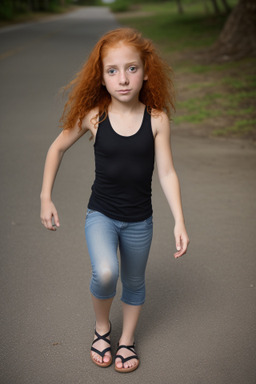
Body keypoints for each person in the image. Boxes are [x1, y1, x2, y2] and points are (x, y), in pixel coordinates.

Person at [40, 28, 189, 373]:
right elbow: (57, 147)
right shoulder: (95, 115)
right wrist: (46, 196)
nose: (123, 79)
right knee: (106, 272)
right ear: (102, 77)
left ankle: (127, 340)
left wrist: (180, 220)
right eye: (112, 70)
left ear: (146, 71)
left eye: (131, 68)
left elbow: (166, 172)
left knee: (134, 282)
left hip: (140, 219)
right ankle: (103, 328)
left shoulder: (157, 120)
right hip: (102, 215)